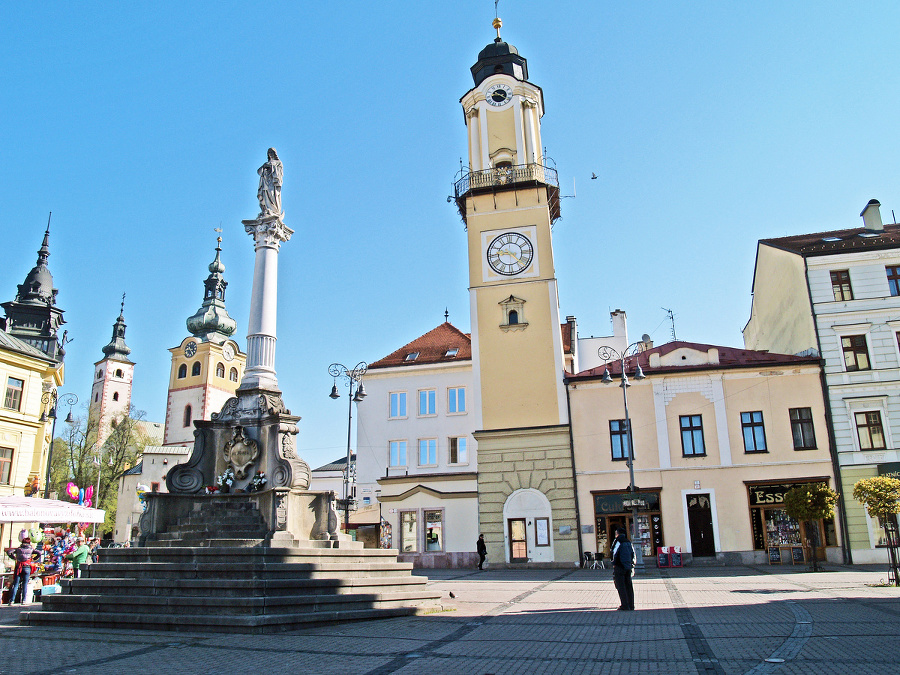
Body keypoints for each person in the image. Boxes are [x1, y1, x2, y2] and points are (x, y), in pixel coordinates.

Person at [5, 536, 37, 605]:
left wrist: (14, 558)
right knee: (25, 584)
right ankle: (24, 600)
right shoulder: (31, 549)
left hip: (19, 566)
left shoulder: (18, 549)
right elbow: (39, 553)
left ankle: (11, 600)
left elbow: (9, 551)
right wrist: (35, 558)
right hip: (27, 567)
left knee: (16, 584)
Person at [612, 527, 635, 611]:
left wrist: (614, 563)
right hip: (628, 566)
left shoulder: (618, 541)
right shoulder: (628, 541)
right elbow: (632, 553)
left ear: (618, 533)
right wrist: (630, 563)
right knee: (629, 586)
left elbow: (614, 553)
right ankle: (631, 605)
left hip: (619, 566)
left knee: (621, 587)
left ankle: (624, 605)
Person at [256, 147, 283, 217]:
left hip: (273, 182)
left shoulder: (278, 163)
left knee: (272, 194)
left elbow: (279, 173)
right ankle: (266, 210)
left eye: (271, 152)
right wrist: (265, 166)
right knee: (265, 195)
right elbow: (259, 171)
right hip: (265, 182)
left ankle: (274, 211)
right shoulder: (266, 163)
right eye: (269, 153)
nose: (270, 154)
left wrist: (271, 166)